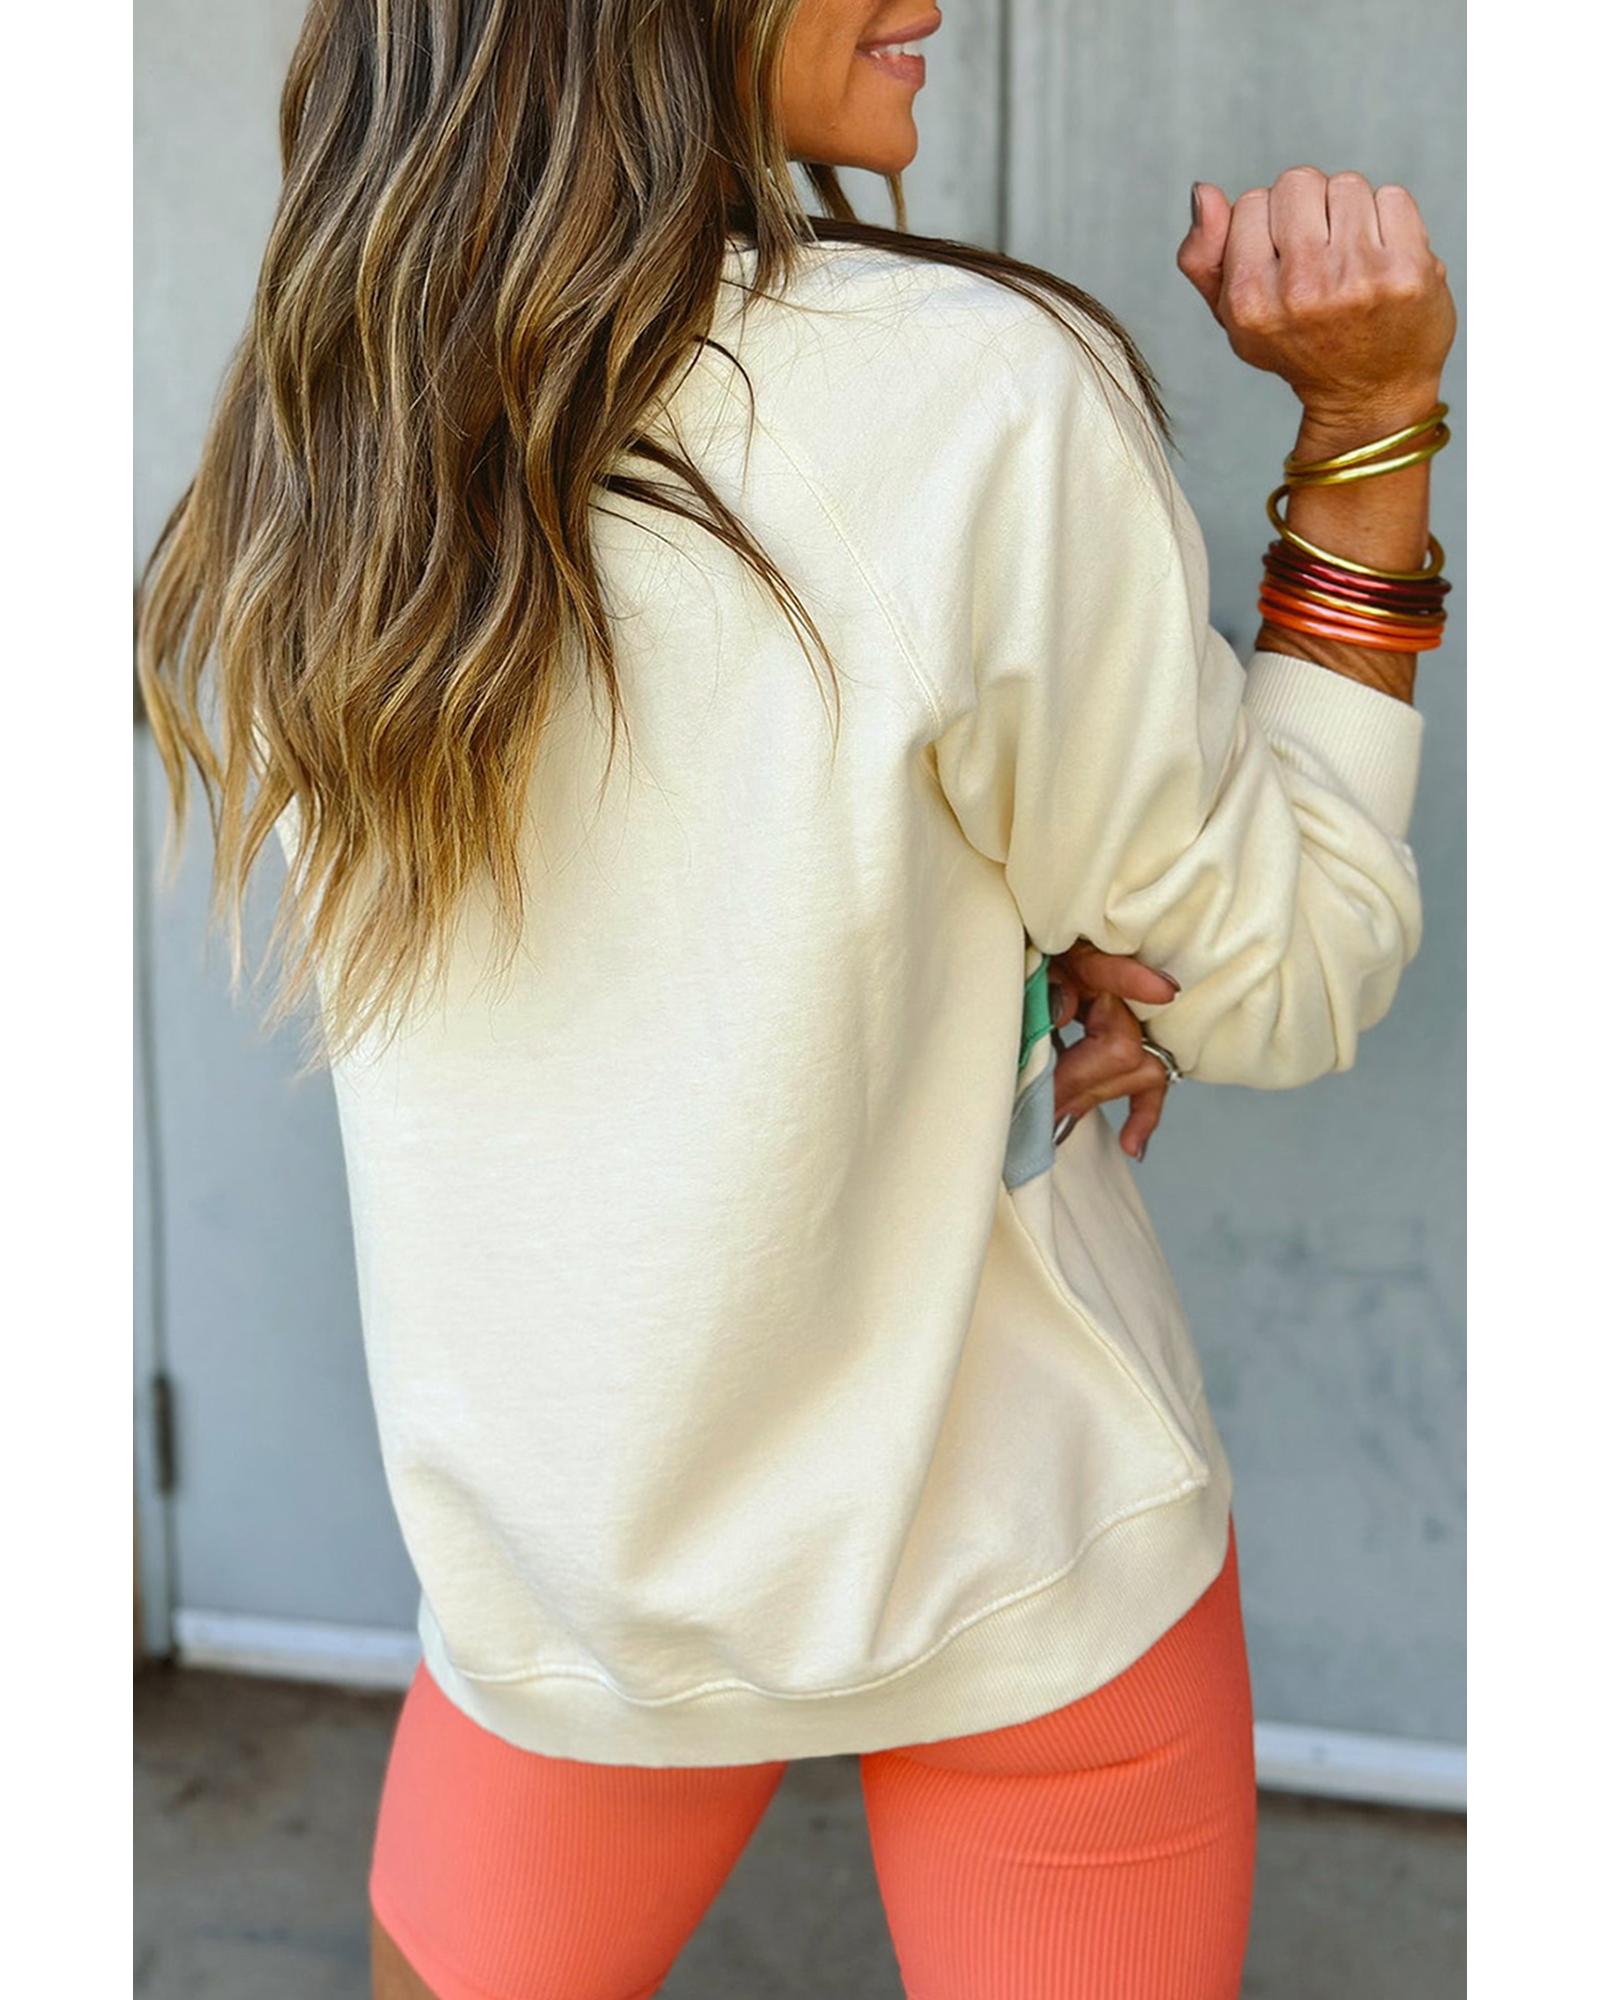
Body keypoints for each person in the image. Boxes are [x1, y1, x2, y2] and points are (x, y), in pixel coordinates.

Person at [135, 2, 1457, 1995]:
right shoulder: (967, 397)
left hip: (567, 1581)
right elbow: (1284, 978)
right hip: (1016, 1554)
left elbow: (680, 904)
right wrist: (1367, 440)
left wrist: (977, 937)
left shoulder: (338, 409)